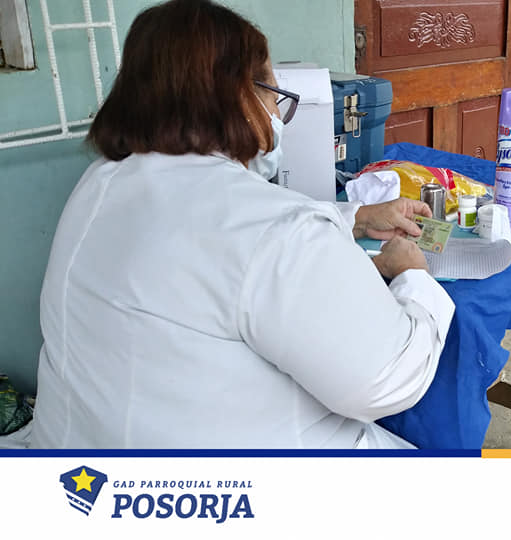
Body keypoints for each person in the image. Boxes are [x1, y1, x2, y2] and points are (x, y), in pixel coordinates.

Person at [30, 0, 454, 449]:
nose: (277, 115)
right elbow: (388, 380)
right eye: (274, 96)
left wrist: (356, 218)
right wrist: (413, 277)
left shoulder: (99, 184)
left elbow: (226, 246)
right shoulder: (278, 231)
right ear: (238, 96)